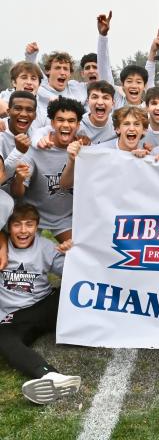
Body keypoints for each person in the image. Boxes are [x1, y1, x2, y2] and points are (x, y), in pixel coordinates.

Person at [0, 204, 80, 405]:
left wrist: (73, 253)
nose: (24, 230)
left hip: (44, 307)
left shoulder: (45, 246)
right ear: (8, 228)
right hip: (15, 318)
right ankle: (52, 377)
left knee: (73, 292)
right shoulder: (2, 248)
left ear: (37, 226)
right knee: (3, 338)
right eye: (17, 225)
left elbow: (75, 274)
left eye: (29, 224)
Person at [10, 97, 85, 242]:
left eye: (71, 121)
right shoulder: (37, 147)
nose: (65, 125)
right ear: (52, 123)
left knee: (78, 253)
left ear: (78, 125)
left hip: (63, 219)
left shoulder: (84, 150)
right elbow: (17, 192)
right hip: (31, 215)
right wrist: (19, 179)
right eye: (60, 120)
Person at [60, 106, 150, 190]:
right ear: (117, 129)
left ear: (144, 130)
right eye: (126, 124)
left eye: (137, 124)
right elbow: (65, 185)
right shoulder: (98, 152)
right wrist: (72, 161)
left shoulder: (148, 156)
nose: (131, 128)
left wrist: (144, 161)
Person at [96, 11, 154, 109]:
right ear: (122, 85)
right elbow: (104, 70)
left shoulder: (149, 109)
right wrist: (103, 37)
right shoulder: (116, 102)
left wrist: (153, 51)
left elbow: (150, 74)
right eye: (129, 81)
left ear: (145, 86)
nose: (134, 86)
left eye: (139, 82)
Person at [0, 92, 37, 187]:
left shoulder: (37, 136)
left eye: (29, 110)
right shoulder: (1, 131)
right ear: (8, 112)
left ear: (35, 115)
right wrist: (18, 151)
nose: (24, 114)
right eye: (18, 108)